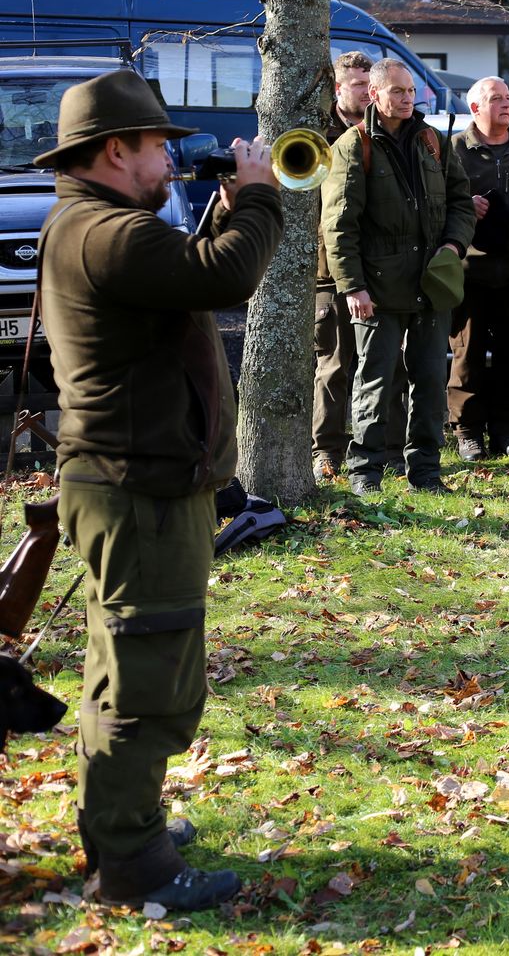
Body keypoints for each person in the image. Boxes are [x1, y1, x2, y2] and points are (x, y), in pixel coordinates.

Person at [38, 69, 283, 909]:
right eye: (156, 147)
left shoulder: (98, 224)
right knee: (148, 680)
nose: (170, 163)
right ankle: (132, 865)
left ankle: (118, 822)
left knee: (125, 665)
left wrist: (219, 217)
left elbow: (183, 272)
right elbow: (223, 279)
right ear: (116, 150)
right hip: (136, 491)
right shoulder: (108, 234)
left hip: (133, 483)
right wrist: (257, 198)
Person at [323, 57, 476, 493]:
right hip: (377, 287)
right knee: (373, 381)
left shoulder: (432, 141)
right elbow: (339, 224)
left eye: (411, 91)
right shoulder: (354, 147)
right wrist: (352, 285)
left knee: (430, 383)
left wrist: (453, 245)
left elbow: (461, 202)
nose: (407, 99)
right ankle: (365, 473)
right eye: (397, 91)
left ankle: (426, 472)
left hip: (431, 285)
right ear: (374, 95)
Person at [311, 51, 405, 479]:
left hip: (385, 270)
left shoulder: (389, 131)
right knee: (334, 366)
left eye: (370, 85)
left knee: (388, 366)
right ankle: (326, 450)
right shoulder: (318, 135)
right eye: (355, 86)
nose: (365, 94)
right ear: (338, 88)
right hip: (332, 272)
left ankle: (388, 448)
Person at [449, 76, 509, 459]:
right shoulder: (453, 149)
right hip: (470, 272)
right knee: (467, 354)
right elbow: (437, 198)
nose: (505, 104)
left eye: (508, 97)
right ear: (475, 108)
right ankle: (467, 430)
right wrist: (464, 204)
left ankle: (507, 428)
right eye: (495, 98)